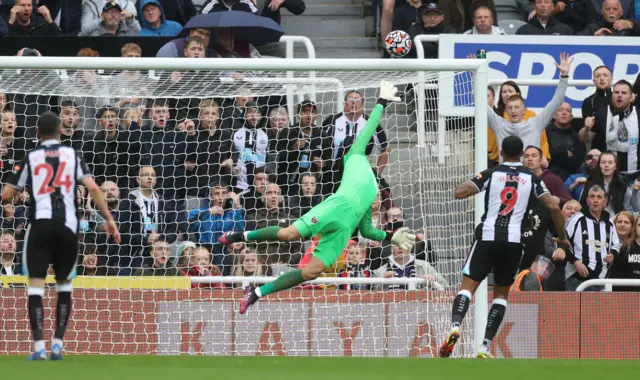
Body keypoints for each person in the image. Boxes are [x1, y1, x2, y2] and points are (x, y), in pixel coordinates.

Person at [219, 81, 417, 314]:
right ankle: (238, 235)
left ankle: (257, 293)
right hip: (336, 207)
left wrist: (391, 236)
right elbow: (370, 127)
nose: (359, 142)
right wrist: (381, 102)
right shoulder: (354, 155)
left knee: (312, 272)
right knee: (288, 234)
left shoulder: (375, 185)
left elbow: (367, 231)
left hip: (345, 228)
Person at [1, 112, 120, 360]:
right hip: (68, 227)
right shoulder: (72, 155)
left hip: (40, 226)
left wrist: (19, 190)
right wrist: (109, 219)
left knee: (35, 287)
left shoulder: (30, 157)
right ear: (60, 131)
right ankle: (58, 344)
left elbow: (6, 195)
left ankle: (39, 349)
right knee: (64, 285)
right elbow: (94, 187)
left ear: (37, 133)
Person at [438, 135, 568, 359]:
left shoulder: (491, 174)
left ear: (501, 152)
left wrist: (472, 183)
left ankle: (455, 326)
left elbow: (460, 192)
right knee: (500, 294)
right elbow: (555, 206)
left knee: (468, 286)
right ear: (521, 155)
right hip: (513, 242)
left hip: (487, 237)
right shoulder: (532, 179)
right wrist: (562, 236)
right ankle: (485, 346)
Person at [488, 54, 571, 162]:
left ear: (524, 110)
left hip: (529, 174)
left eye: (517, 107)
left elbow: (557, 101)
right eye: (510, 108)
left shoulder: (535, 124)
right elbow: (482, 104)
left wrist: (564, 76)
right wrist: (476, 79)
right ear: (506, 110)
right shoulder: (499, 124)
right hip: (505, 175)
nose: (513, 110)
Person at [565, 185, 620, 291]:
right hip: (577, 280)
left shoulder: (610, 223)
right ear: (587, 200)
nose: (595, 200)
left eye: (599, 197)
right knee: (575, 308)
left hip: (601, 281)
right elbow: (564, 243)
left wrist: (612, 254)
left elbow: (616, 245)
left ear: (605, 201)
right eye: (592, 196)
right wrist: (575, 262)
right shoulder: (577, 219)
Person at [609, 213, 640, 291]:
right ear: (635, 227)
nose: (622, 225)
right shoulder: (625, 248)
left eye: (626, 222)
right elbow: (616, 275)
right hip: (626, 295)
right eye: (639, 225)